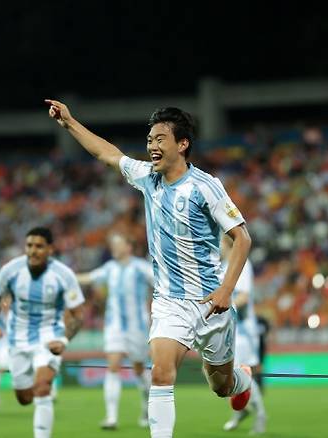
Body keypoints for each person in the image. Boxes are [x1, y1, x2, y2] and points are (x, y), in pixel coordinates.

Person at [45, 100, 253, 438]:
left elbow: (242, 238)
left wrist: (226, 290)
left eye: (160, 139)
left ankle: (241, 380)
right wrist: (69, 122)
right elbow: (107, 153)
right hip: (170, 303)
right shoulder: (146, 177)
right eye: (149, 140)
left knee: (221, 385)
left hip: (210, 302)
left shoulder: (205, 186)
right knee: (160, 373)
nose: (152, 146)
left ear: (182, 144)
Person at [0, 227, 85, 438]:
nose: (33, 250)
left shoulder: (64, 275)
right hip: (17, 339)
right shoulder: (11, 270)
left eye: (39, 246)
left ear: (50, 249)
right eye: (29, 245)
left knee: (42, 387)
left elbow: (78, 315)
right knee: (24, 398)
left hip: (49, 337)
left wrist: (64, 340)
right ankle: (35, 379)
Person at [76, 233, 154, 430]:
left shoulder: (141, 267)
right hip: (114, 325)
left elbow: (161, 283)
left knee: (139, 368)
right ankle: (111, 417)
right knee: (112, 365)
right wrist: (68, 276)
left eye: (118, 244)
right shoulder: (109, 268)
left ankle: (147, 406)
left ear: (129, 247)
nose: (114, 248)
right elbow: (89, 277)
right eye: (113, 245)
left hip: (137, 326)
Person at [220, 235, 266, 434]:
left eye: (220, 242)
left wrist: (222, 305)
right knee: (226, 376)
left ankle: (260, 415)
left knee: (240, 372)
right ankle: (242, 410)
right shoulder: (222, 266)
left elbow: (244, 297)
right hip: (228, 330)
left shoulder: (241, 264)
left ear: (228, 244)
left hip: (243, 331)